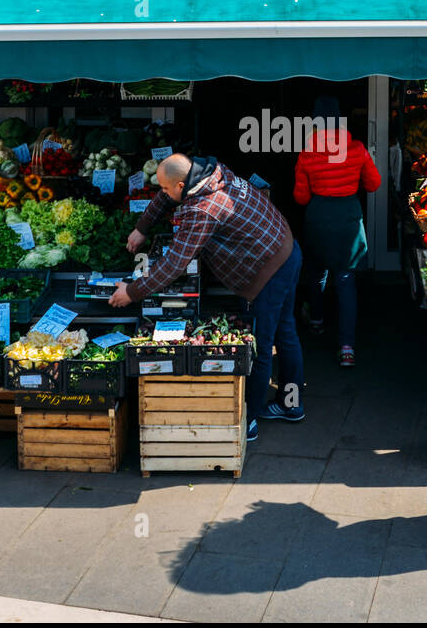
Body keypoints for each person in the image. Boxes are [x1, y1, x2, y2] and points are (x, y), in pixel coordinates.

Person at [109, 153, 304, 442]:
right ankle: (292, 405)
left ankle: (248, 420)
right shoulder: (210, 171)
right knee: (285, 330)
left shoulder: (203, 208)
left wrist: (132, 292)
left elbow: (175, 262)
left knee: (261, 345)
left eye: (165, 188)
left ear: (180, 184)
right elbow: (167, 197)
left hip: (269, 269)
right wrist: (142, 227)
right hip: (286, 246)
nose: (162, 194)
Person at [292, 96, 381, 367]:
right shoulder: (356, 149)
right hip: (348, 219)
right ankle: (346, 347)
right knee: (345, 280)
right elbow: (374, 184)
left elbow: (300, 198)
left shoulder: (307, 153)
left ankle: (317, 321)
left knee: (317, 272)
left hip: (318, 217)